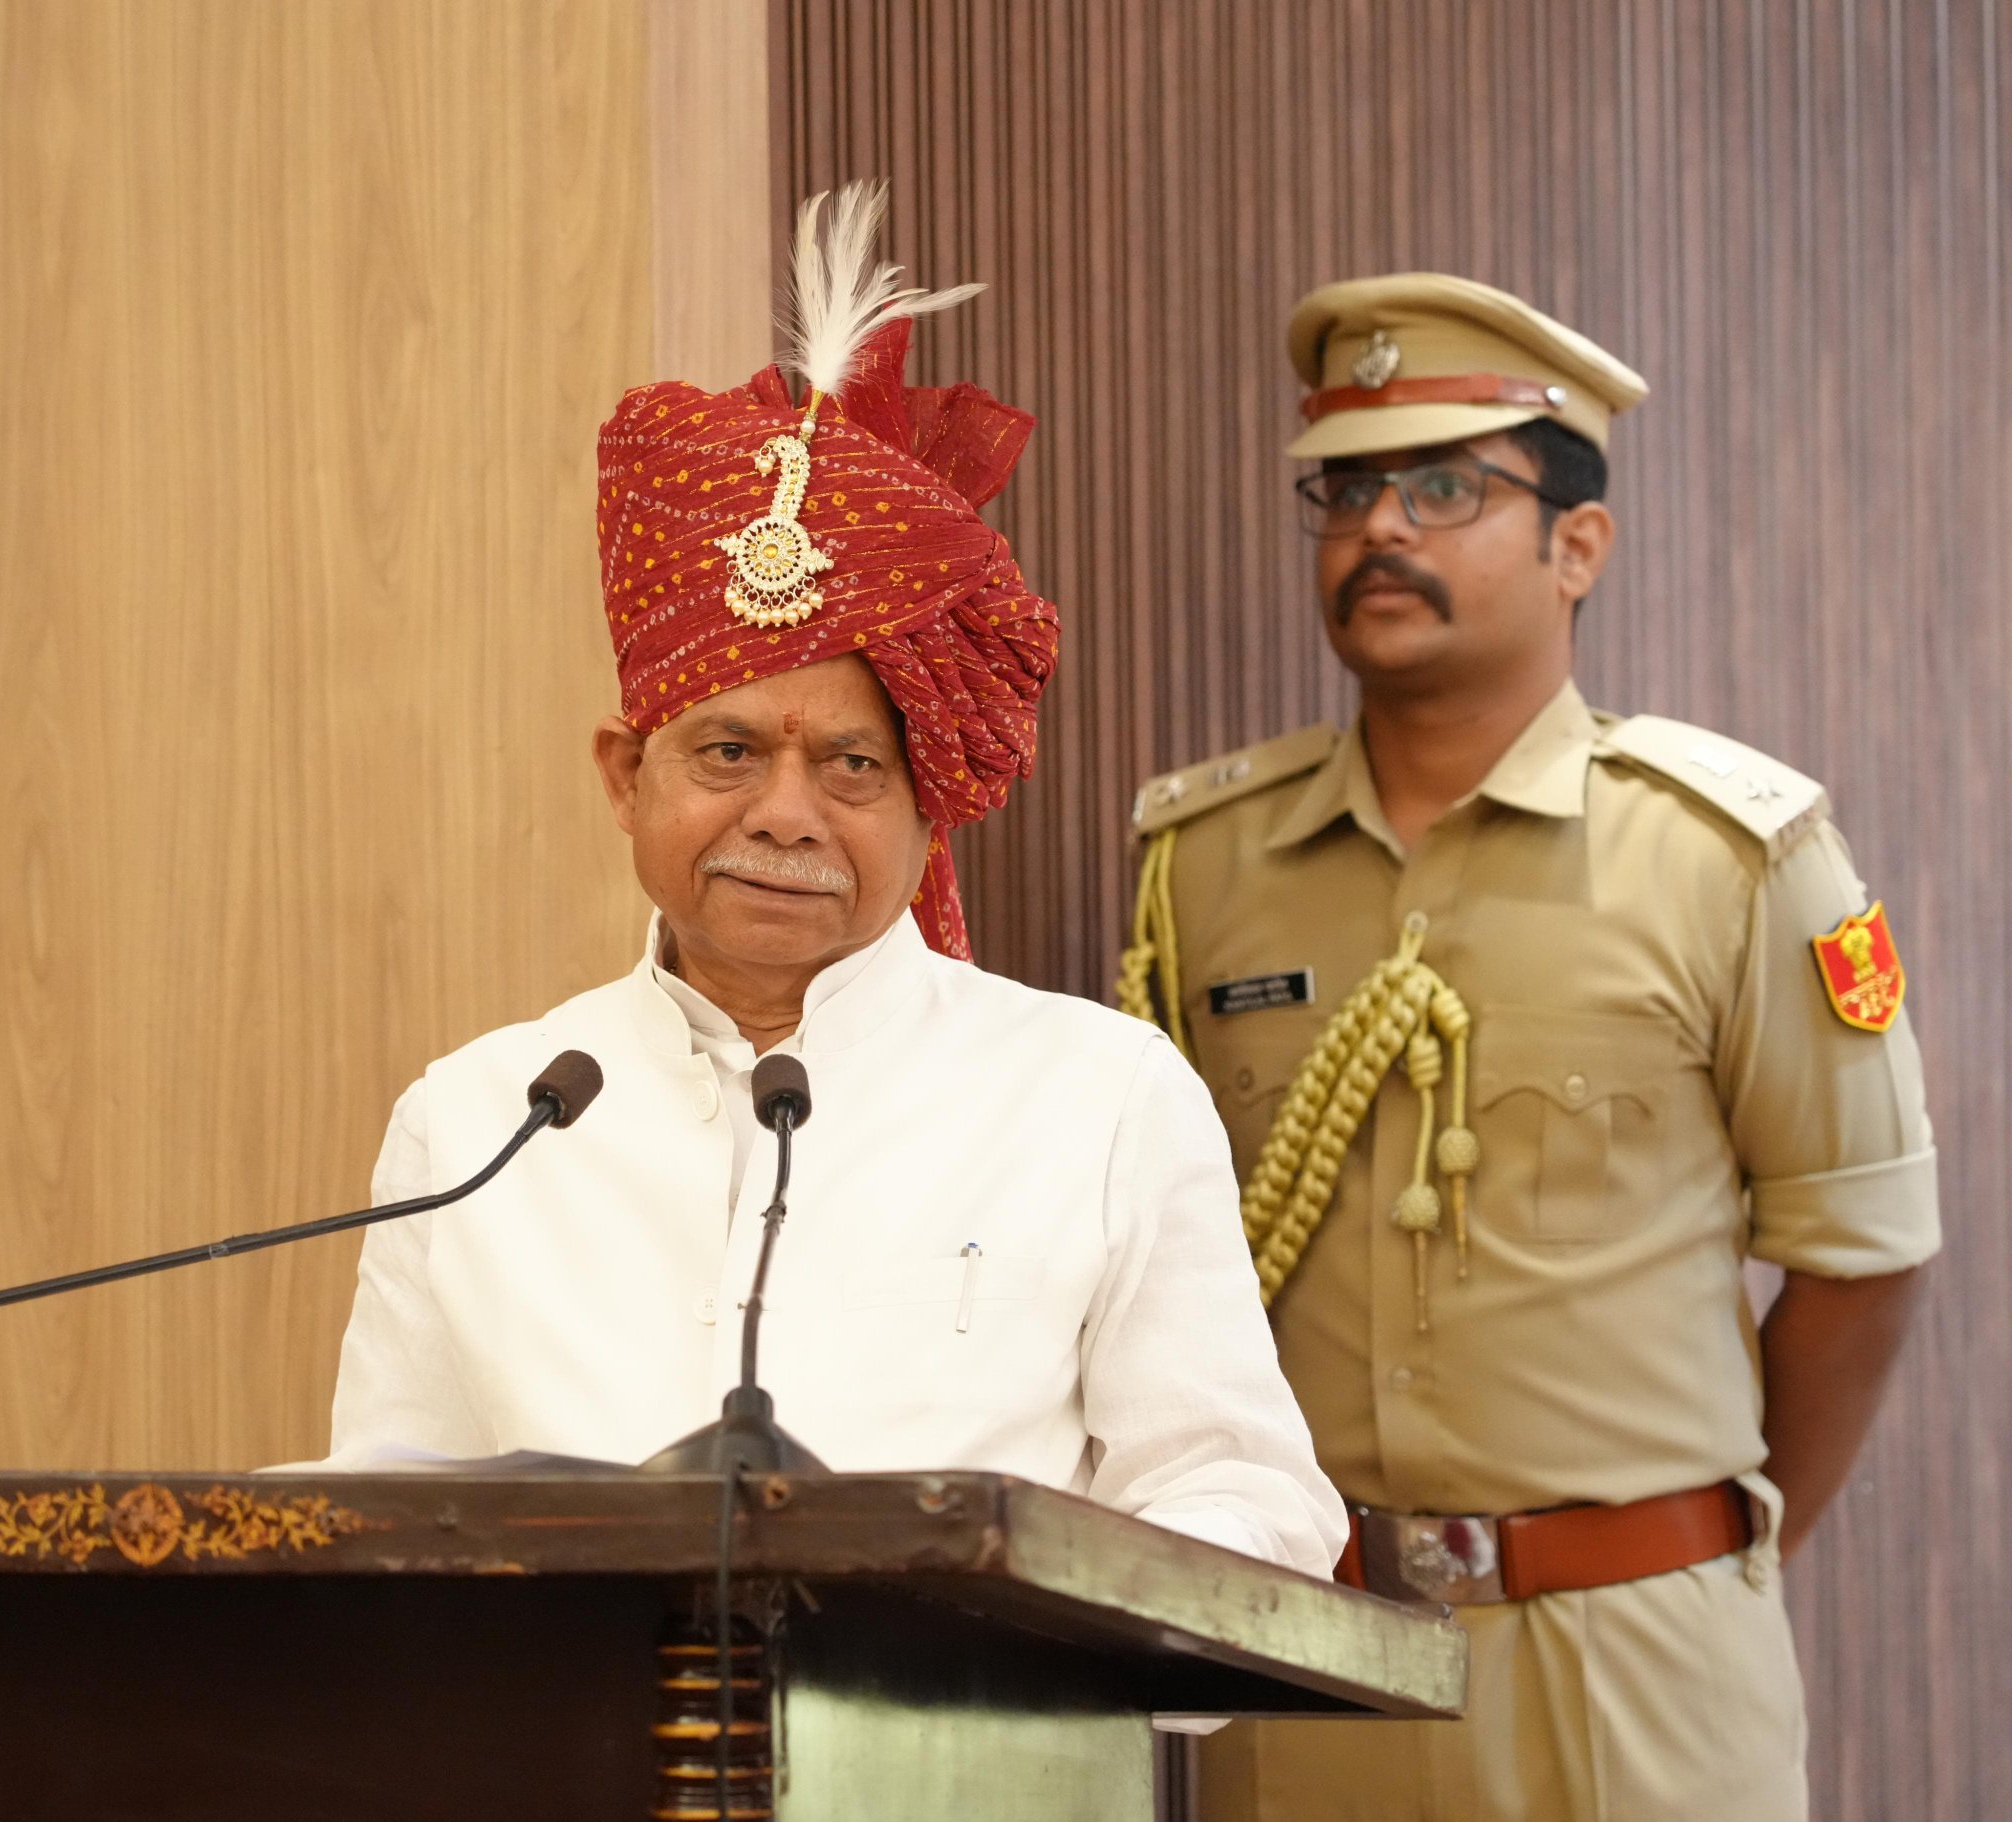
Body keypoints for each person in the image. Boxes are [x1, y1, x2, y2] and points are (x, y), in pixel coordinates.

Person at [321, 184, 1346, 1578]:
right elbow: (383, 1531)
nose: (785, 815)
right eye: (728, 750)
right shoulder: (475, 1121)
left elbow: (1247, 1497)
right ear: (627, 775)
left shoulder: (1100, 1096)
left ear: (934, 804)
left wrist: (1015, 1635)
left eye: (853, 767)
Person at [1119, 273, 1939, 1817]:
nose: (1384, 530)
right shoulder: (1202, 862)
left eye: (1445, 486)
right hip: (1315, 1649)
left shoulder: (1733, 856)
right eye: (1348, 488)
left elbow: (1865, 1255)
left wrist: (1683, 1549)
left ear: (1579, 544)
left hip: (1630, 1665)